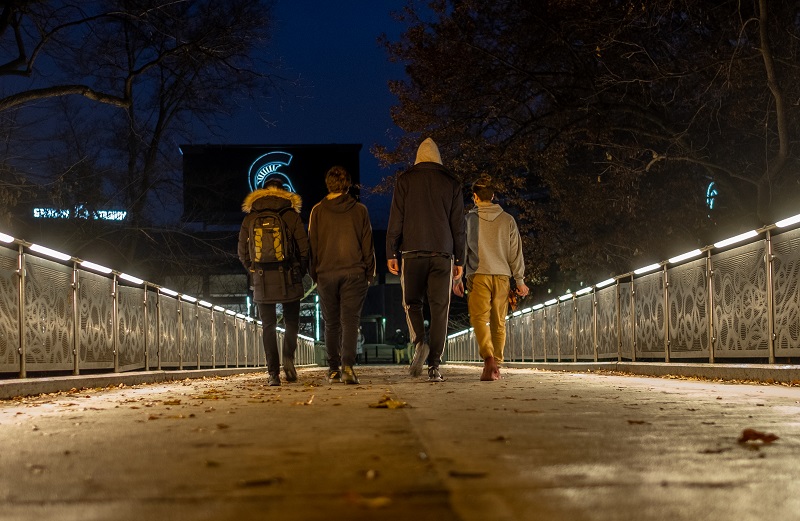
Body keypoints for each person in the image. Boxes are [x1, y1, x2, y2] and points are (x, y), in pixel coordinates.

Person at [386, 137, 465, 382]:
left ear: (418, 157)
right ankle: (434, 365)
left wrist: (391, 251)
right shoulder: (452, 183)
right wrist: (460, 259)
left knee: (411, 302)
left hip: (411, 252)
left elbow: (396, 218)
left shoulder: (405, 180)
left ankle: (420, 341)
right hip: (443, 253)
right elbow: (458, 225)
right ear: (439, 158)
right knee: (440, 309)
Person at [453, 176, 529, 381]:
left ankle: (488, 359)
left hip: (477, 275)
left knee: (479, 318)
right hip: (503, 276)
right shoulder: (508, 220)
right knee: (498, 321)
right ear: (493, 196)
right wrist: (519, 280)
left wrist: (457, 279)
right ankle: (497, 361)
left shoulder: (469, 220)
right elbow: (516, 252)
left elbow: (463, 251)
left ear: (475, 197)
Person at [238, 178, 309, 387]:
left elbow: (242, 253)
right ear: (283, 192)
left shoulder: (250, 217)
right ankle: (288, 357)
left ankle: (273, 374)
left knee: (268, 325)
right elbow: (304, 249)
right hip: (288, 276)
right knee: (292, 321)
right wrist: (299, 271)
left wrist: (253, 269)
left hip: (261, 278)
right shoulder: (291, 215)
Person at [309, 166, 375, 385]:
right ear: (347, 185)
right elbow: (367, 244)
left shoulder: (317, 211)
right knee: (350, 321)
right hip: (354, 272)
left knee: (331, 323)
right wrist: (369, 272)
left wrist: (315, 274)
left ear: (328, 184)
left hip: (326, 273)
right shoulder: (360, 210)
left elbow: (313, 246)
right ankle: (348, 367)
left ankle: (334, 369)